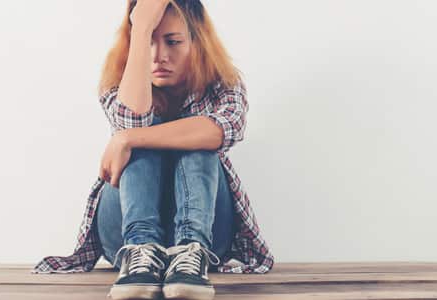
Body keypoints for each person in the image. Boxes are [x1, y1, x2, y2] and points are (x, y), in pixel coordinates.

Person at [32, 1, 274, 299]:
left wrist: (127, 139)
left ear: (197, 42)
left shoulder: (223, 82)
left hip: (208, 234)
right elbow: (131, 120)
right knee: (140, 132)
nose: (158, 56)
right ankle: (140, 253)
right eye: (147, 42)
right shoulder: (119, 83)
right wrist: (141, 26)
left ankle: (190, 251)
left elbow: (224, 130)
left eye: (173, 42)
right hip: (122, 233)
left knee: (195, 138)